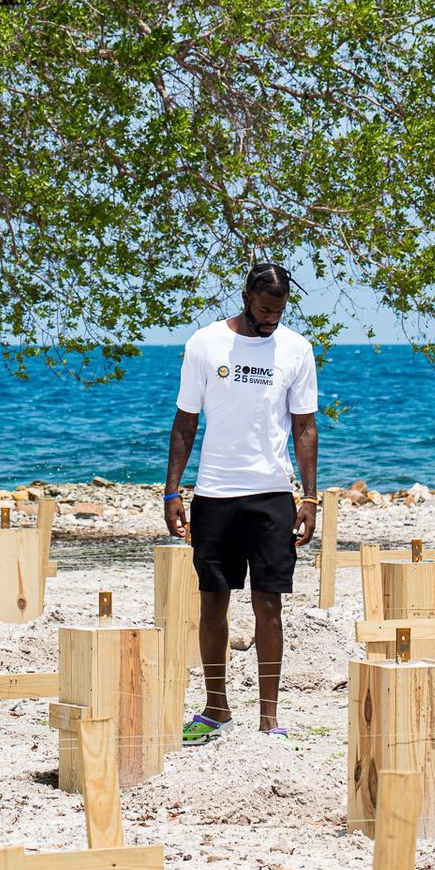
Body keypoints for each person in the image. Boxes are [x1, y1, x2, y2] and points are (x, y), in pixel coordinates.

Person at [163, 262, 319, 741]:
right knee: (213, 604)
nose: (271, 319)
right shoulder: (205, 344)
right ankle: (216, 709)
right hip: (215, 494)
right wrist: (172, 489)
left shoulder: (296, 349)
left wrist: (310, 497)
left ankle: (269, 717)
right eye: (264, 310)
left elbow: (305, 427)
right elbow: (185, 422)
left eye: (279, 312)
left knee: (268, 605)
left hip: (272, 494)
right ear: (247, 296)